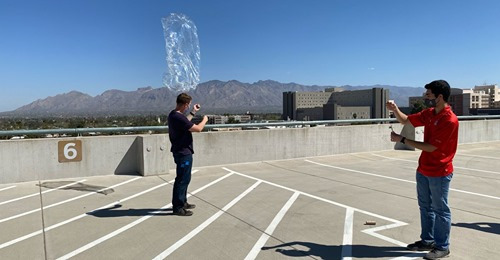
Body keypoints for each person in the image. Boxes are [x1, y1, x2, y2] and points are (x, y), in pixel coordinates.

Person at [386, 80, 459, 260]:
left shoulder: (449, 120)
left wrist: (402, 140)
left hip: (440, 172)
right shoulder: (430, 113)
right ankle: (427, 241)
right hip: (423, 169)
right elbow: (406, 120)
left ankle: (442, 247)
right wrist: (395, 109)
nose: (425, 97)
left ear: (439, 96)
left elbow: (431, 147)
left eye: (428, 94)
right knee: (425, 207)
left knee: (441, 210)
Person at [168, 93, 208, 216]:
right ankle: (178, 207)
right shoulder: (178, 117)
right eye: (189, 105)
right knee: (182, 179)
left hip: (182, 151)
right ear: (185, 104)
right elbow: (198, 129)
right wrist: (205, 120)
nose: (188, 106)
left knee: (185, 178)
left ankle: (183, 201)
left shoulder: (174, 115)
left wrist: (193, 112)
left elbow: (186, 122)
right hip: (183, 152)